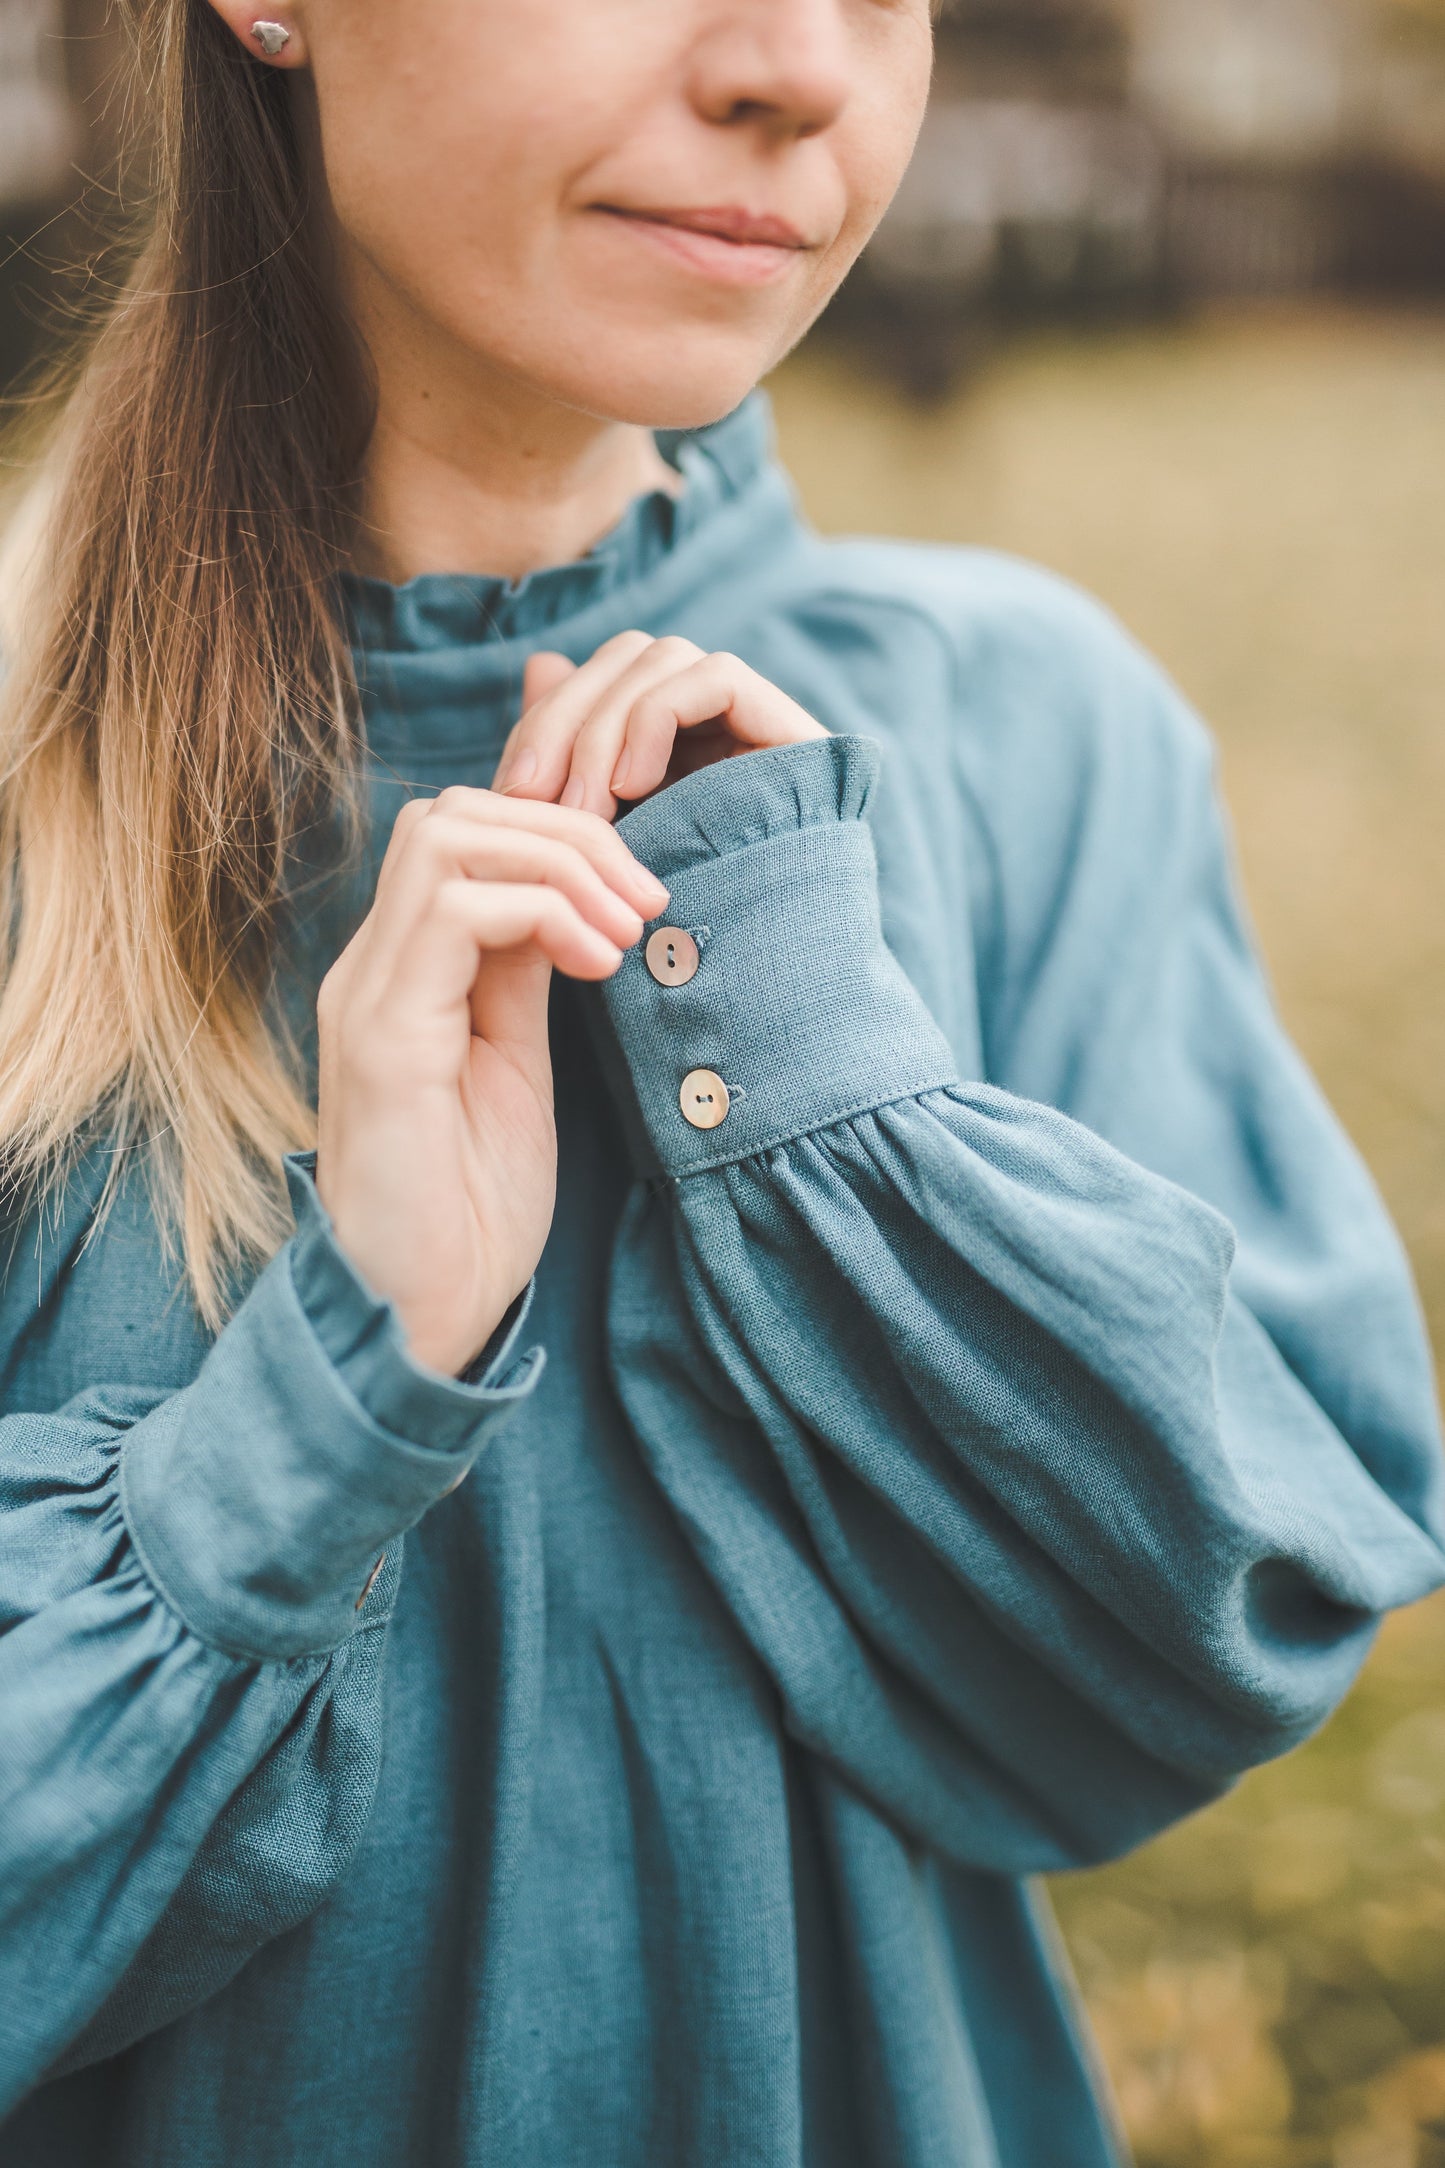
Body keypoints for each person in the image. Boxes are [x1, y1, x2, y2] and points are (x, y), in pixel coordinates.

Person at [0, 0, 1441, 2161]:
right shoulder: (34, 808)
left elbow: (1218, 1639)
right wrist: (324, 1405)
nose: (795, 62)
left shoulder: (1037, 731)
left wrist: (804, 1068)